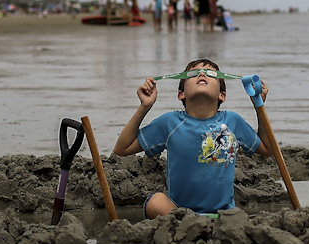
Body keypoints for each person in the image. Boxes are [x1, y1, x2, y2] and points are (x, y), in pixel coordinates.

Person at [113, 58, 271, 218]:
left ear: (222, 95)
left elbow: (267, 149)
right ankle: (193, 223)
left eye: (211, 74)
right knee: (155, 202)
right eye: (193, 73)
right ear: (181, 94)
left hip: (224, 217)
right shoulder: (170, 123)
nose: (202, 74)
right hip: (180, 215)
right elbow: (122, 148)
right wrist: (145, 106)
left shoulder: (233, 121)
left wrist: (259, 105)